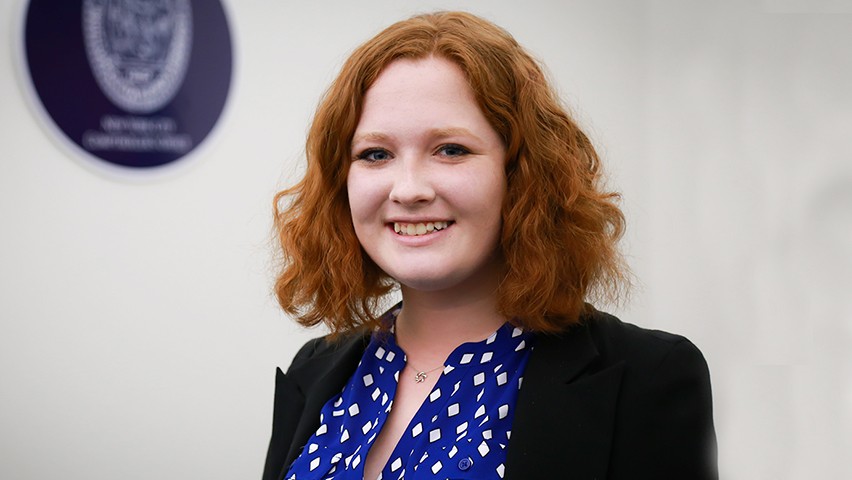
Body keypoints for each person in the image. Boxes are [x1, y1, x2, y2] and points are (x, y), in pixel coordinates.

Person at [263, 11, 717, 480]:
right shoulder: (313, 371)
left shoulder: (648, 377)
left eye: (451, 150)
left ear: (522, 172)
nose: (409, 189)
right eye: (375, 154)